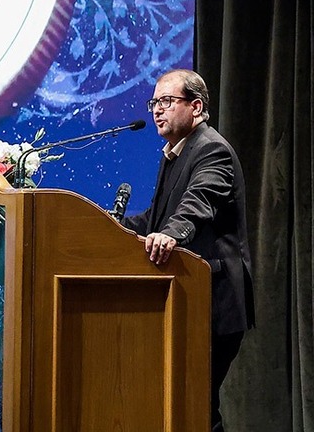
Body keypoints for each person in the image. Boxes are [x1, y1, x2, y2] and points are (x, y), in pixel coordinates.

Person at [121, 69, 254, 432]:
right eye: (154, 102)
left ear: (196, 107)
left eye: (167, 101)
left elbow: (198, 204)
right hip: (189, 300)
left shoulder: (211, 149)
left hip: (213, 301)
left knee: (196, 405)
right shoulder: (176, 153)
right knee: (187, 405)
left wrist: (171, 235)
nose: (157, 110)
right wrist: (107, 225)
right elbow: (155, 217)